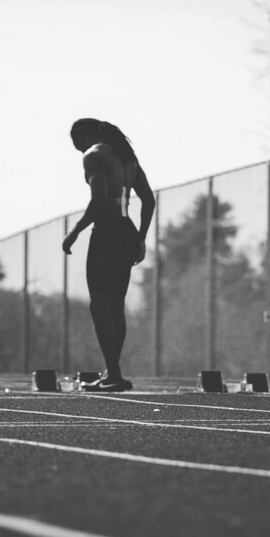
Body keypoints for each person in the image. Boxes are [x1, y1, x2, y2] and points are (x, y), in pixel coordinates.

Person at [62, 118, 155, 392]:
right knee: (115, 305)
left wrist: (76, 231)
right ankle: (112, 372)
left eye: (77, 144)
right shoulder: (128, 158)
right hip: (127, 231)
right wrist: (140, 238)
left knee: (100, 305)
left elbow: (99, 201)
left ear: (82, 137)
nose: (79, 150)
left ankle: (113, 375)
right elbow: (148, 199)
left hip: (106, 232)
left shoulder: (94, 155)